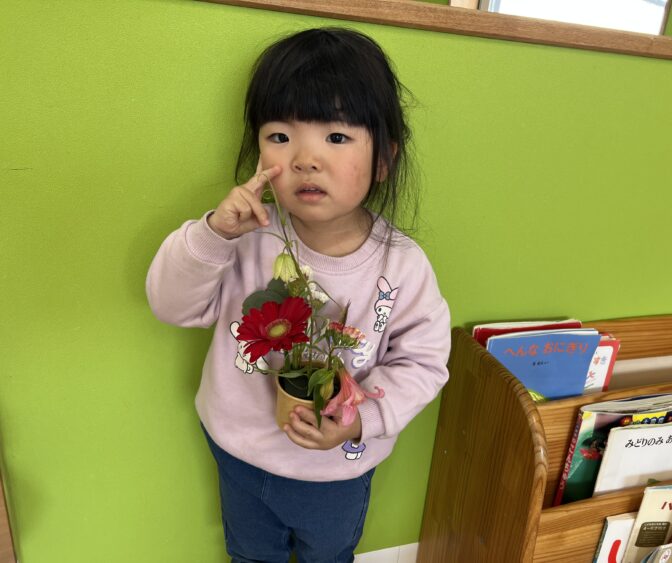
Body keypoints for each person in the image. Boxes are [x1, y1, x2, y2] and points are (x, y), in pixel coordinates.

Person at [146, 27, 450, 563]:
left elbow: (423, 363)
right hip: (238, 454)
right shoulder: (244, 238)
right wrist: (213, 234)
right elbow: (171, 306)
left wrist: (361, 420)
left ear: (384, 159)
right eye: (280, 136)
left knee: (328, 555)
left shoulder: (402, 265)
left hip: (335, 471)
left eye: (337, 137)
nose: (306, 158)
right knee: (249, 553)